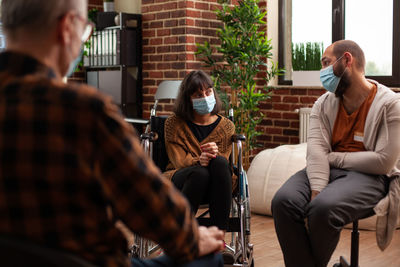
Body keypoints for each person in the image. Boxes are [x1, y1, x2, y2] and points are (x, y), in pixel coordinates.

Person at [0, 1, 225, 267]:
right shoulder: (83, 111)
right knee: (210, 257)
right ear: (67, 27)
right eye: (85, 31)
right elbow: (145, 203)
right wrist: (191, 239)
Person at [271, 40, 400, 267]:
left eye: (326, 63)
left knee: (323, 209)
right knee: (283, 201)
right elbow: (317, 151)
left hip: (369, 176)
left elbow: (382, 161)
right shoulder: (323, 104)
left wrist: (334, 159)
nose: (322, 72)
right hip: (327, 170)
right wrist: (317, 188)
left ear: (347, 60)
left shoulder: (390, 104)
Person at [164, 70, 235, 261]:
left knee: (219, 161)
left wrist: (213, 155)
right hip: (182, 177)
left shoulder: (226, 126)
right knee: (199, 174)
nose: (205, 97)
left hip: (217, 183)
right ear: (188, 99)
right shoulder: (173, 124)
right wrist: (199, 160)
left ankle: (216, 241)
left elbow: (225, 158)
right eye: (198, 95)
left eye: (208, 92)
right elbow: (178, 161)